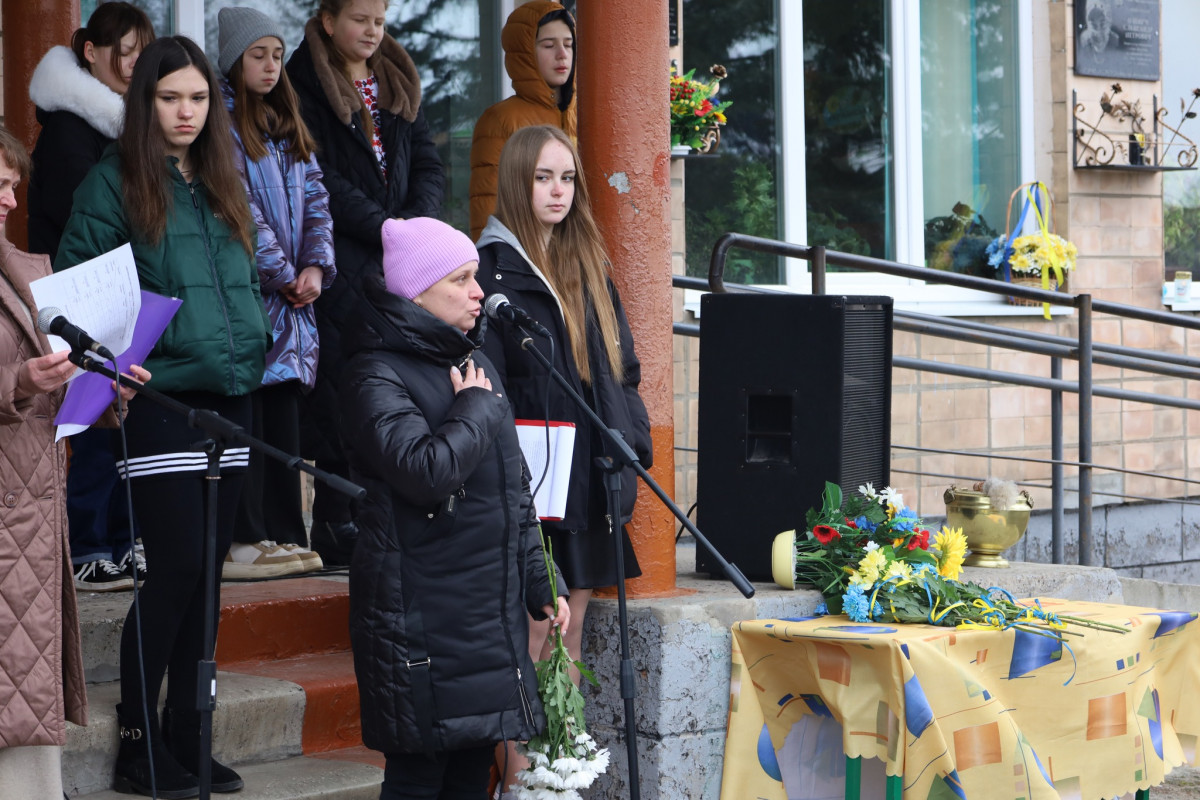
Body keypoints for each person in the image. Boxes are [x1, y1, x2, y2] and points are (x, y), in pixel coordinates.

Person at [56, 35, 271, 798]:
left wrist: (260, 343)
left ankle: (190, 732)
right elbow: (76, 298)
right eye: (169, 97)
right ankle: (136, 744)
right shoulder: (110, 184)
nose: (186, 112)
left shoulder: (220, 180)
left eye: (199, 98)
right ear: (144, 102)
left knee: (207, 575)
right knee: (176, 565)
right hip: (159, 399)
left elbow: (244, 282)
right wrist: (109, 373)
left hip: (231, 394)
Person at [339, 216, 568, 800]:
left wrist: (543, 580)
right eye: (461, 280)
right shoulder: (375, 371)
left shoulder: (476, 366)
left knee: (470, 774)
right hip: (417, 616)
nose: (478, 293)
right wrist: (477, 410)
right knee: (419, 776)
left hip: (482, 616)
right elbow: (424, 473)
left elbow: (514, 492)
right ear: (416, 292)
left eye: (476, 277)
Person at [475, 125, 652, 796]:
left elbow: (623, 372)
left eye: (567, 178)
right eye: (544, 177)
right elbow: (486, 384)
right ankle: (521, 780)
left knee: (571, 638)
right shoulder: (491, 271)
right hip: (531, 483)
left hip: (589, 477)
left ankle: (563, 775)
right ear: (520, 182)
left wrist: (632, 446)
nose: (557, 191)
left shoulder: (586, 263)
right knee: (533, 637)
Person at [0, 123, 148, 800]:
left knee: (23, 704)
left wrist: (100, 382)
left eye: (12, 183)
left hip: (27, 510)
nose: (10, 198)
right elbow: (20, 380)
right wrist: (18, 384)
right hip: (10, 510)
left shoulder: (28, 271)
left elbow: (50, 392)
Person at [286, 0, 445, 567]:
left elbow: (428, 162)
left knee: (390, 390)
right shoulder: (301, 81)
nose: (372, 32)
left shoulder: (396, 78)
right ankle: (334, 517)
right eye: (360, 20)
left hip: (397, 260)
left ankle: (380, 515)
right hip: (339, 255)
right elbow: (316, 172)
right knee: (336, 391)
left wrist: (418, 225)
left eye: (379, 21)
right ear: (329, 21)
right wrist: (387, 228)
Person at [27, 1, 155, 592]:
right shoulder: (70, 129)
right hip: (78, 293)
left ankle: (126, 538)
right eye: (122, 51)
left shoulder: (128, 128)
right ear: (91, 52)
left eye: (140, 52)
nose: (132, 65)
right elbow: (78, 213)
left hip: (124, 288)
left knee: (127, 415)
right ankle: (89, 544)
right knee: (94, 419)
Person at [218, 6, 336, 579]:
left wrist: (315, 265)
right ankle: (249, 534)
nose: (269, 66)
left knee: (284, 416)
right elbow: (236, 204)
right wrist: (283, 271)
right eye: (257, 55)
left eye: (276, 55)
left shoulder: (286, 120)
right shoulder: (221, 122)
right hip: (254, 294)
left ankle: (288, 531)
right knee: (251, 420)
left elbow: (316, 195)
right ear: (233, 60)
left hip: (293, 299)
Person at [468, 0, 576, 241]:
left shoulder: (588, 113)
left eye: (569, 45)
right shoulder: (500, 120)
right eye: (549, 45)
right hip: (525, 260)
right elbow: (488, 208)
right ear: (525, 53)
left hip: (580, 257)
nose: (562, 54)